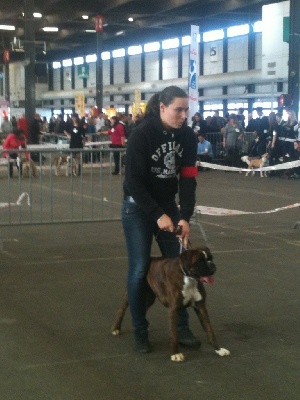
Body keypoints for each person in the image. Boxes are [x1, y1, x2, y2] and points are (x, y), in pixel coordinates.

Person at [122, 85, 199, 353]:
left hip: (168, 206)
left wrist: (185, 216)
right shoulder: (142, 134)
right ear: (162, 108)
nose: (184, 115)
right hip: (138, 207)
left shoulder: (188, 137)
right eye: (178, 110)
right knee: (140, 268)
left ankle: (182, 328)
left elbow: (188, 178)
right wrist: (157, 215)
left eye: (186, 110)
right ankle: (140, 331)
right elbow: (132, 181)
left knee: (181, 265)